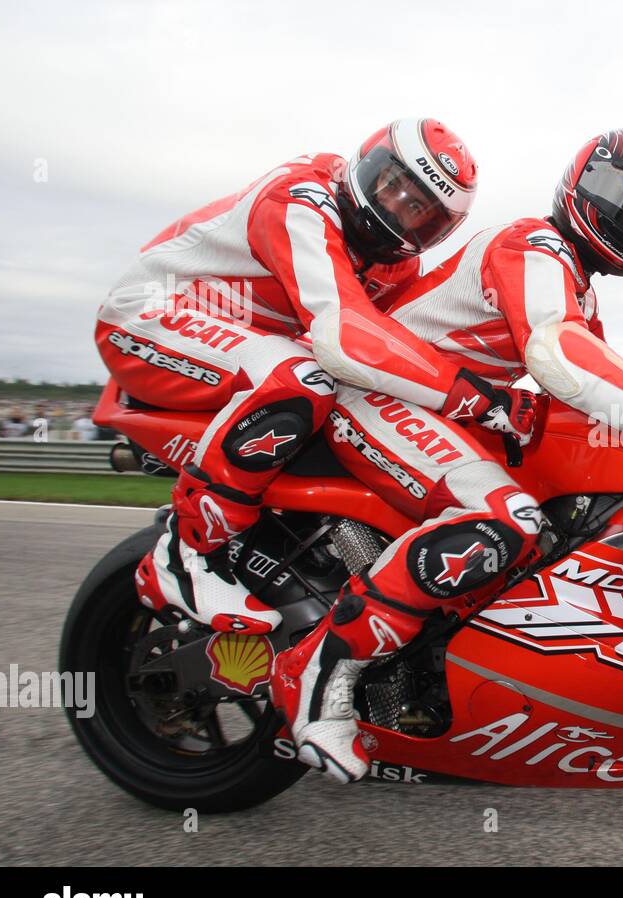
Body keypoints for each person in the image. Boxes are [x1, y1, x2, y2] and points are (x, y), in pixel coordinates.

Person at [270, 127, 623, 782]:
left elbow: (597, 385)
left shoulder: (575, 284)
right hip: (377, 393)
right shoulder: (533, 244)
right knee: (508, 521)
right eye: (619, 196)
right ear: (579, 182)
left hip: (441, 409)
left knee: (554, 525)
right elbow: (556, 353)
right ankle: (322, 668)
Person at [94, 118, 478, 635]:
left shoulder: (396, 269)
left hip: (241, 350)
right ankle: (186, 554)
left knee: (354, 399)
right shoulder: (301, 197)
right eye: (393, 187)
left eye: (418, 211)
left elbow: (397, 350)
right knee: (303, 378)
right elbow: (346, 330)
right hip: (147, 318)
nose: (395, 211)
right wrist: (470, 395)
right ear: (367, 166)